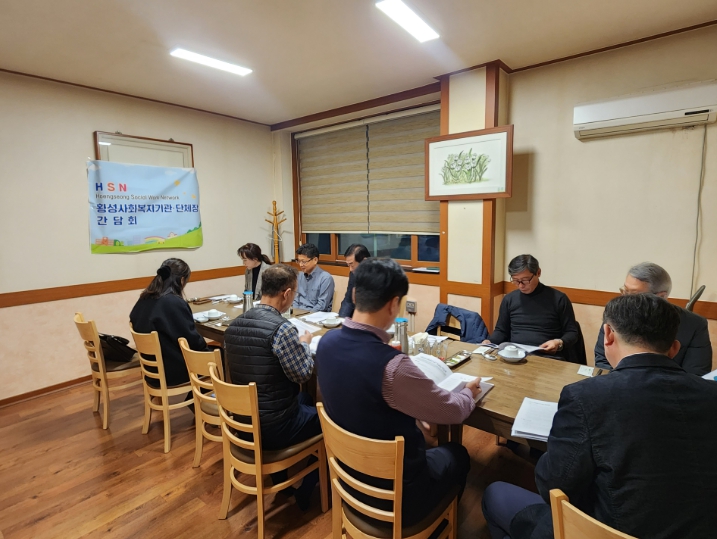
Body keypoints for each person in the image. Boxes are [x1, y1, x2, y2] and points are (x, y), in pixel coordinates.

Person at [481, 293, 717, 539]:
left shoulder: (586, 396)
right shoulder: (712, 393)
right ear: (674, 348)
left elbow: (552, 484)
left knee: (495, 494)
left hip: (604, 531)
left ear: (608, 335)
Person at [317, 258, 481, 529]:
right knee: (457, 454)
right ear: (394, 304)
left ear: (355, 295)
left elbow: (364, 401)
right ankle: (438, 528)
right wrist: (467, 392)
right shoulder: (392, 367)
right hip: (397, 496)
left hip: (348, 478)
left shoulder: (326, 342)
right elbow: (452, 411)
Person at [224, 264, 320, 509]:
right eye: (294, 293)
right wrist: (303, 344)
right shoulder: (282, 329)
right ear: (286, 294)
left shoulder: (234, 325)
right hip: (274, 427)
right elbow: (303, 374)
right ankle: (307, 490)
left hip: (243, 422)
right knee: (330, 421)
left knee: (305, 400)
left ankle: (282, 480)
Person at [594, 262, 712, 375]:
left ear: (661, 296)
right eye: (624, 291)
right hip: (618, 385)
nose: (626, 300)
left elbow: (696, 374)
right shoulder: (615, 315)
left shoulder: (694, 324)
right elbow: (603, 362)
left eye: (634, 295)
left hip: (671, 387)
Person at [129, 258, 209, 387]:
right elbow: (191, 341)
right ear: (182, 280)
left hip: (152, 369)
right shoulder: (172, 302)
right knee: (221, 355)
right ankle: (209, 396)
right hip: (172, 371)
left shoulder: (144, 298)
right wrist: (206, 350)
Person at [484, 254, 578, 359]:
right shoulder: (509, 299)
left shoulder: (559, 299)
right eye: (515, 280)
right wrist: (490, 341)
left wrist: (558, 342)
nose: (520, 285)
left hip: (547, 356)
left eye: (525, 280)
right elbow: (501, 331)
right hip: (515, 354)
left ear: (538, 273)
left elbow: (572, 333)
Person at [292, 243, 335, 312]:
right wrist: (295, 312)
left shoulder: (325, 278)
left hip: (316, 315)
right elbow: (295, 299)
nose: (300, 265)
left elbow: (322, 306)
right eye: (299, 261)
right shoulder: (299, 276)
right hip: (298, 314)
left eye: (304, 261)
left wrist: (306, 315)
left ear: (315, 260)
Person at [338, 243, 370, 318]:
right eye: (348, 265)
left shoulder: (378, 276)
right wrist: (342, 320)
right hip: (355, 317)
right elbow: (348, 301)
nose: (350, 269)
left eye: (352, 265)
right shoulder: (353, 274)